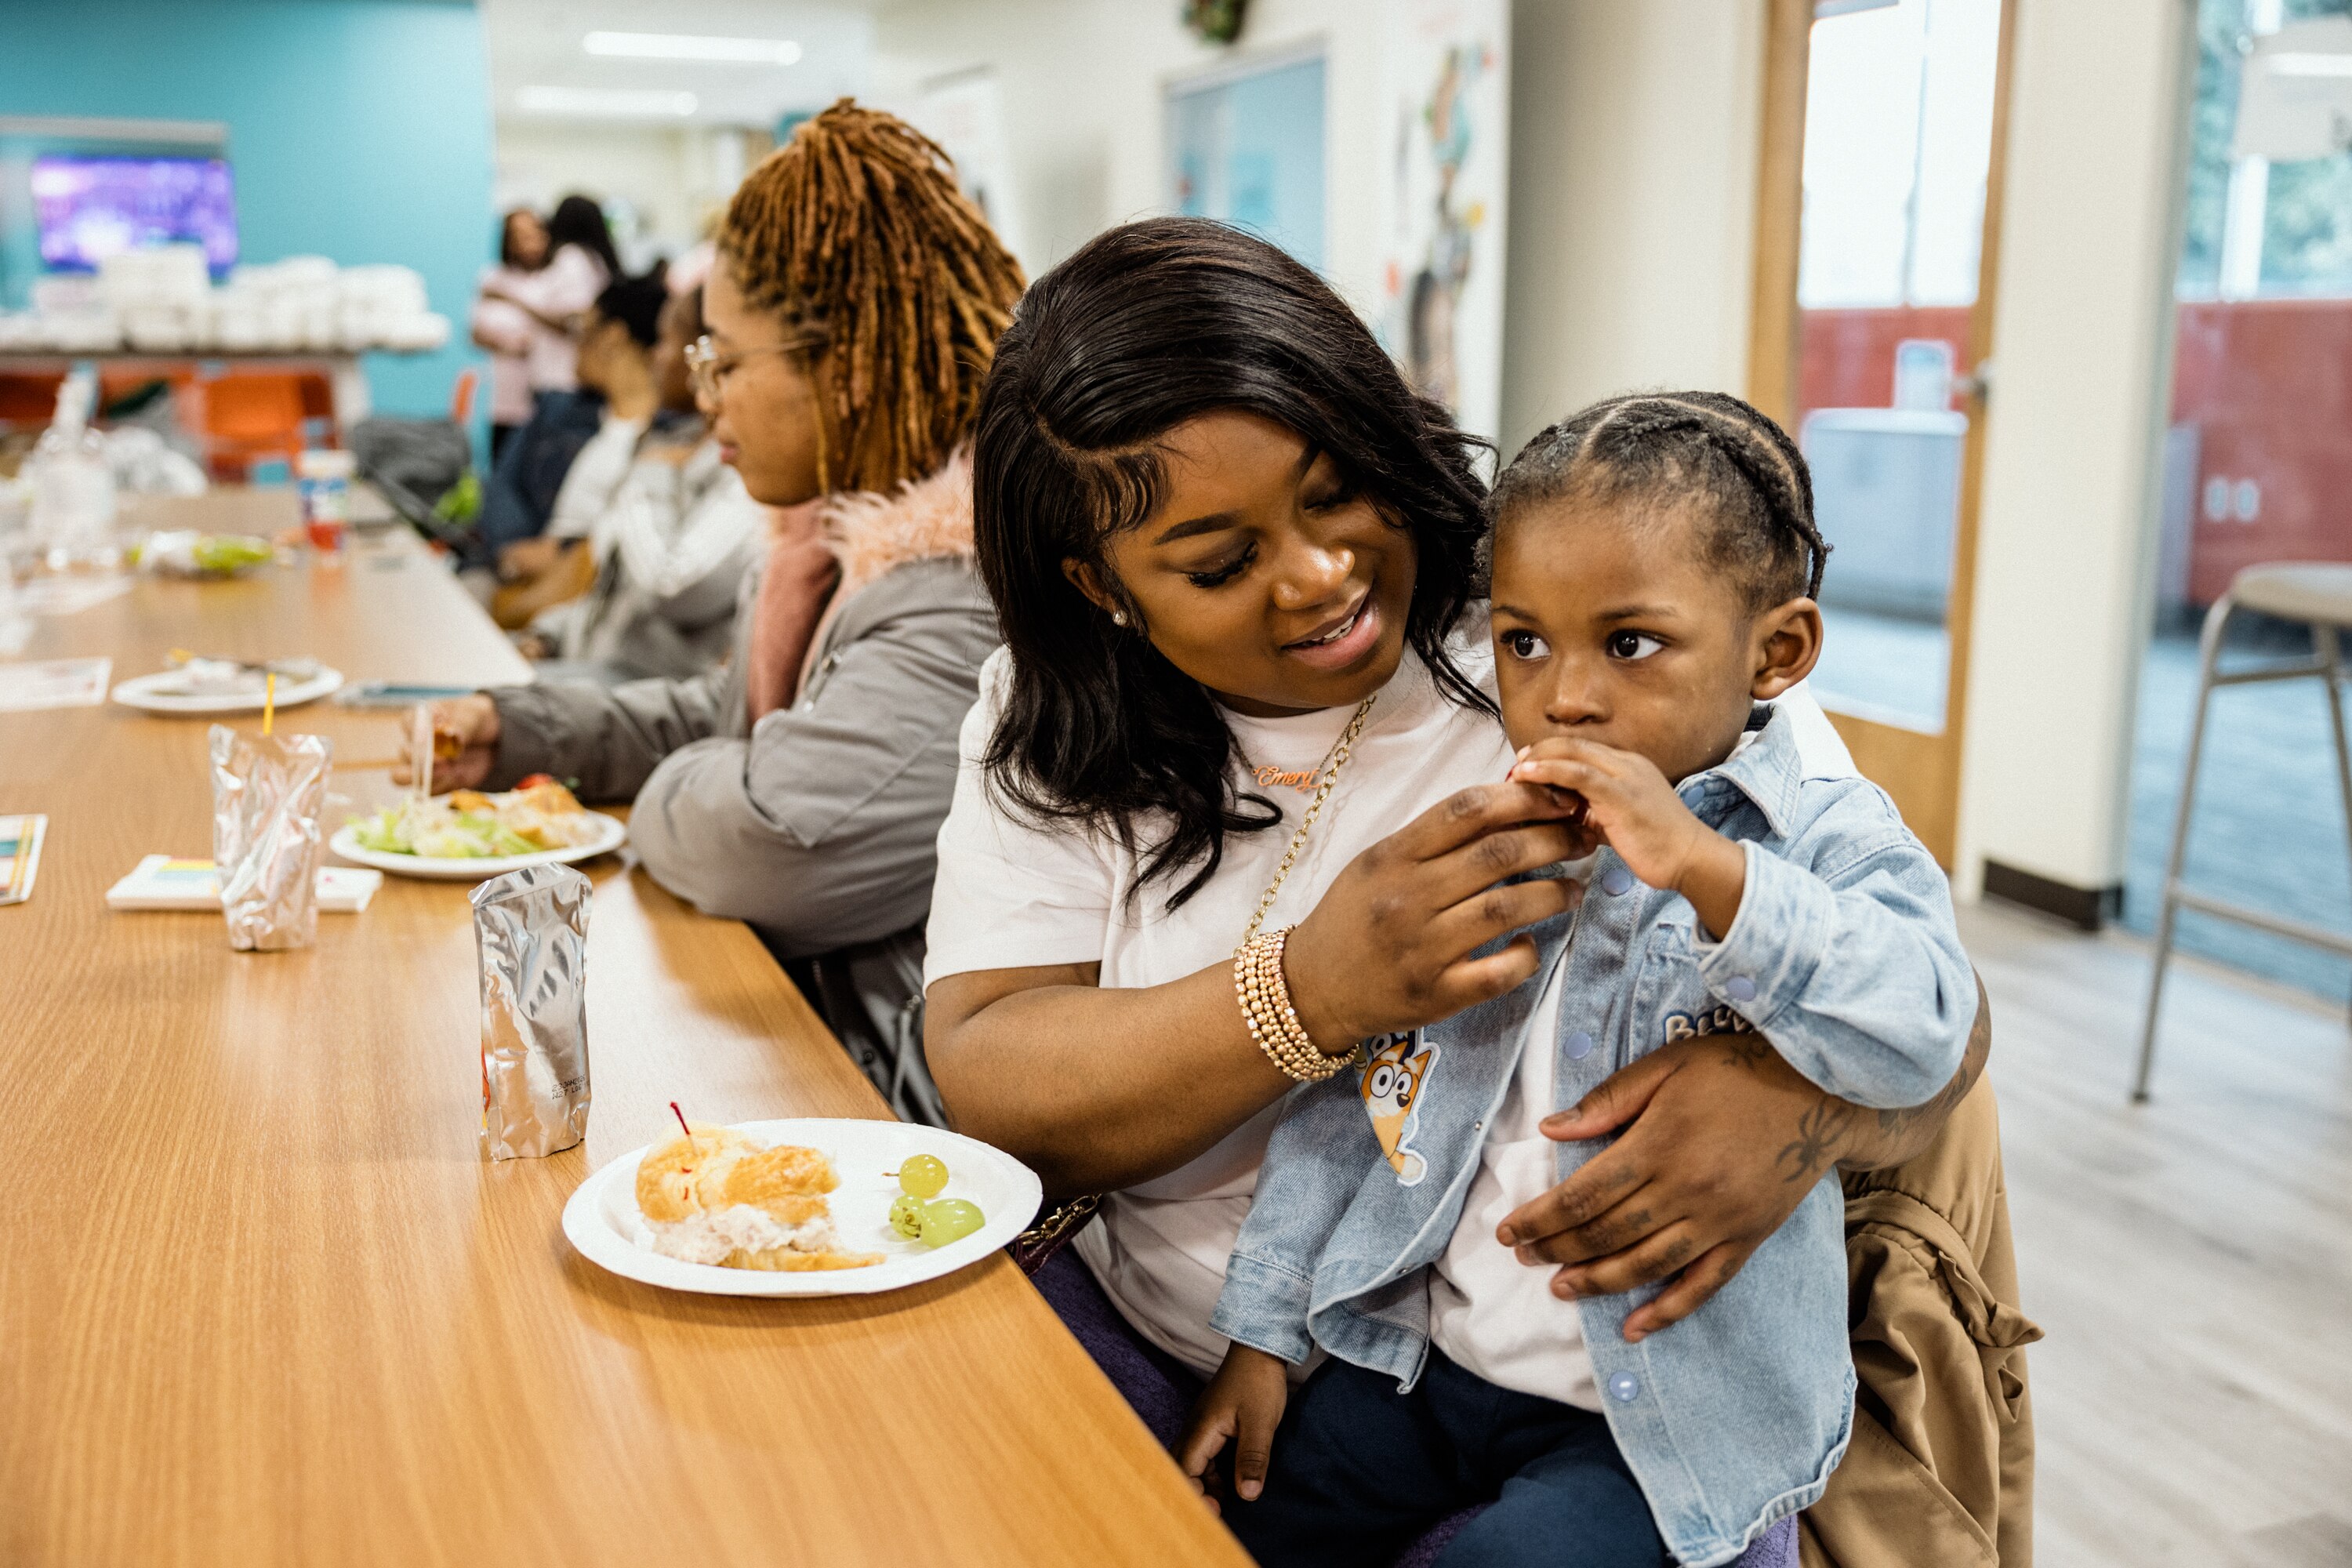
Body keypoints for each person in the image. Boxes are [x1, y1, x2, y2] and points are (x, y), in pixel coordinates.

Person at [924, 218, 1986, 1462]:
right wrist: (1313, 991)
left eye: (1337, 493)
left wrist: (1792, 1108)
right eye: (1221, 563)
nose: (1321, 574)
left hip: (1554, 1382)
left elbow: (1937, 1024)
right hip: (1191, 1342)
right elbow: (992, 1074)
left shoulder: (1578, 618)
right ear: (1101, 587)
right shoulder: (1056, 714)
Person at [1178, 391, 1974, 1568]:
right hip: (1429, 1370)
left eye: (1632, 643)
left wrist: (1711, 872)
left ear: (1778, 651)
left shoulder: (1826, 838)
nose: (1565, 695)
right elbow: (1362, 1107)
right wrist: (1261, 1334)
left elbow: (1928, 1028)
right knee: (1233, 1521)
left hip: (1648, 1428)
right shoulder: (1488, 841)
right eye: (1524, 641)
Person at [406, 103, 1025, 1120]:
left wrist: (692, 786)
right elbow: (732, 725)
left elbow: (770, 838)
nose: (705, 399)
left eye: (726, 364)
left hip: (905, 1118)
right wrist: (528, 729)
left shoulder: (961, 595)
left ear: (851, 365)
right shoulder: (829, 551)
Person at [499, 280, 764, 687]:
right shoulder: (675, 447)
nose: (656, 358)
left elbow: (672, 587)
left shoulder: (736, 470)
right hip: (595, 670)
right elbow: (611, 595)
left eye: (665, 343)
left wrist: (649, 472)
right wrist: (547, 638)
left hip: (644, 694)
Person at [474, 195, 623, 557]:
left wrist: (514, 301)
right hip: (549, 394)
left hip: (562, 392)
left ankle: (519, 564)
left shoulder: (571, 260)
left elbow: (573, 321)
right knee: (538, 489)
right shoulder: (586, 263)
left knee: (521, 492)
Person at [471, 207, 549, 464]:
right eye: (520, 236)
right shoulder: (493, 278)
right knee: (503, 467)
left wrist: (510, 299)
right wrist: (508, 345)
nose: (530, 243)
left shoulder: (552, 279)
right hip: (505, 398)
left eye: (535, 233)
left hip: (547, 396)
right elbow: (475, 333)